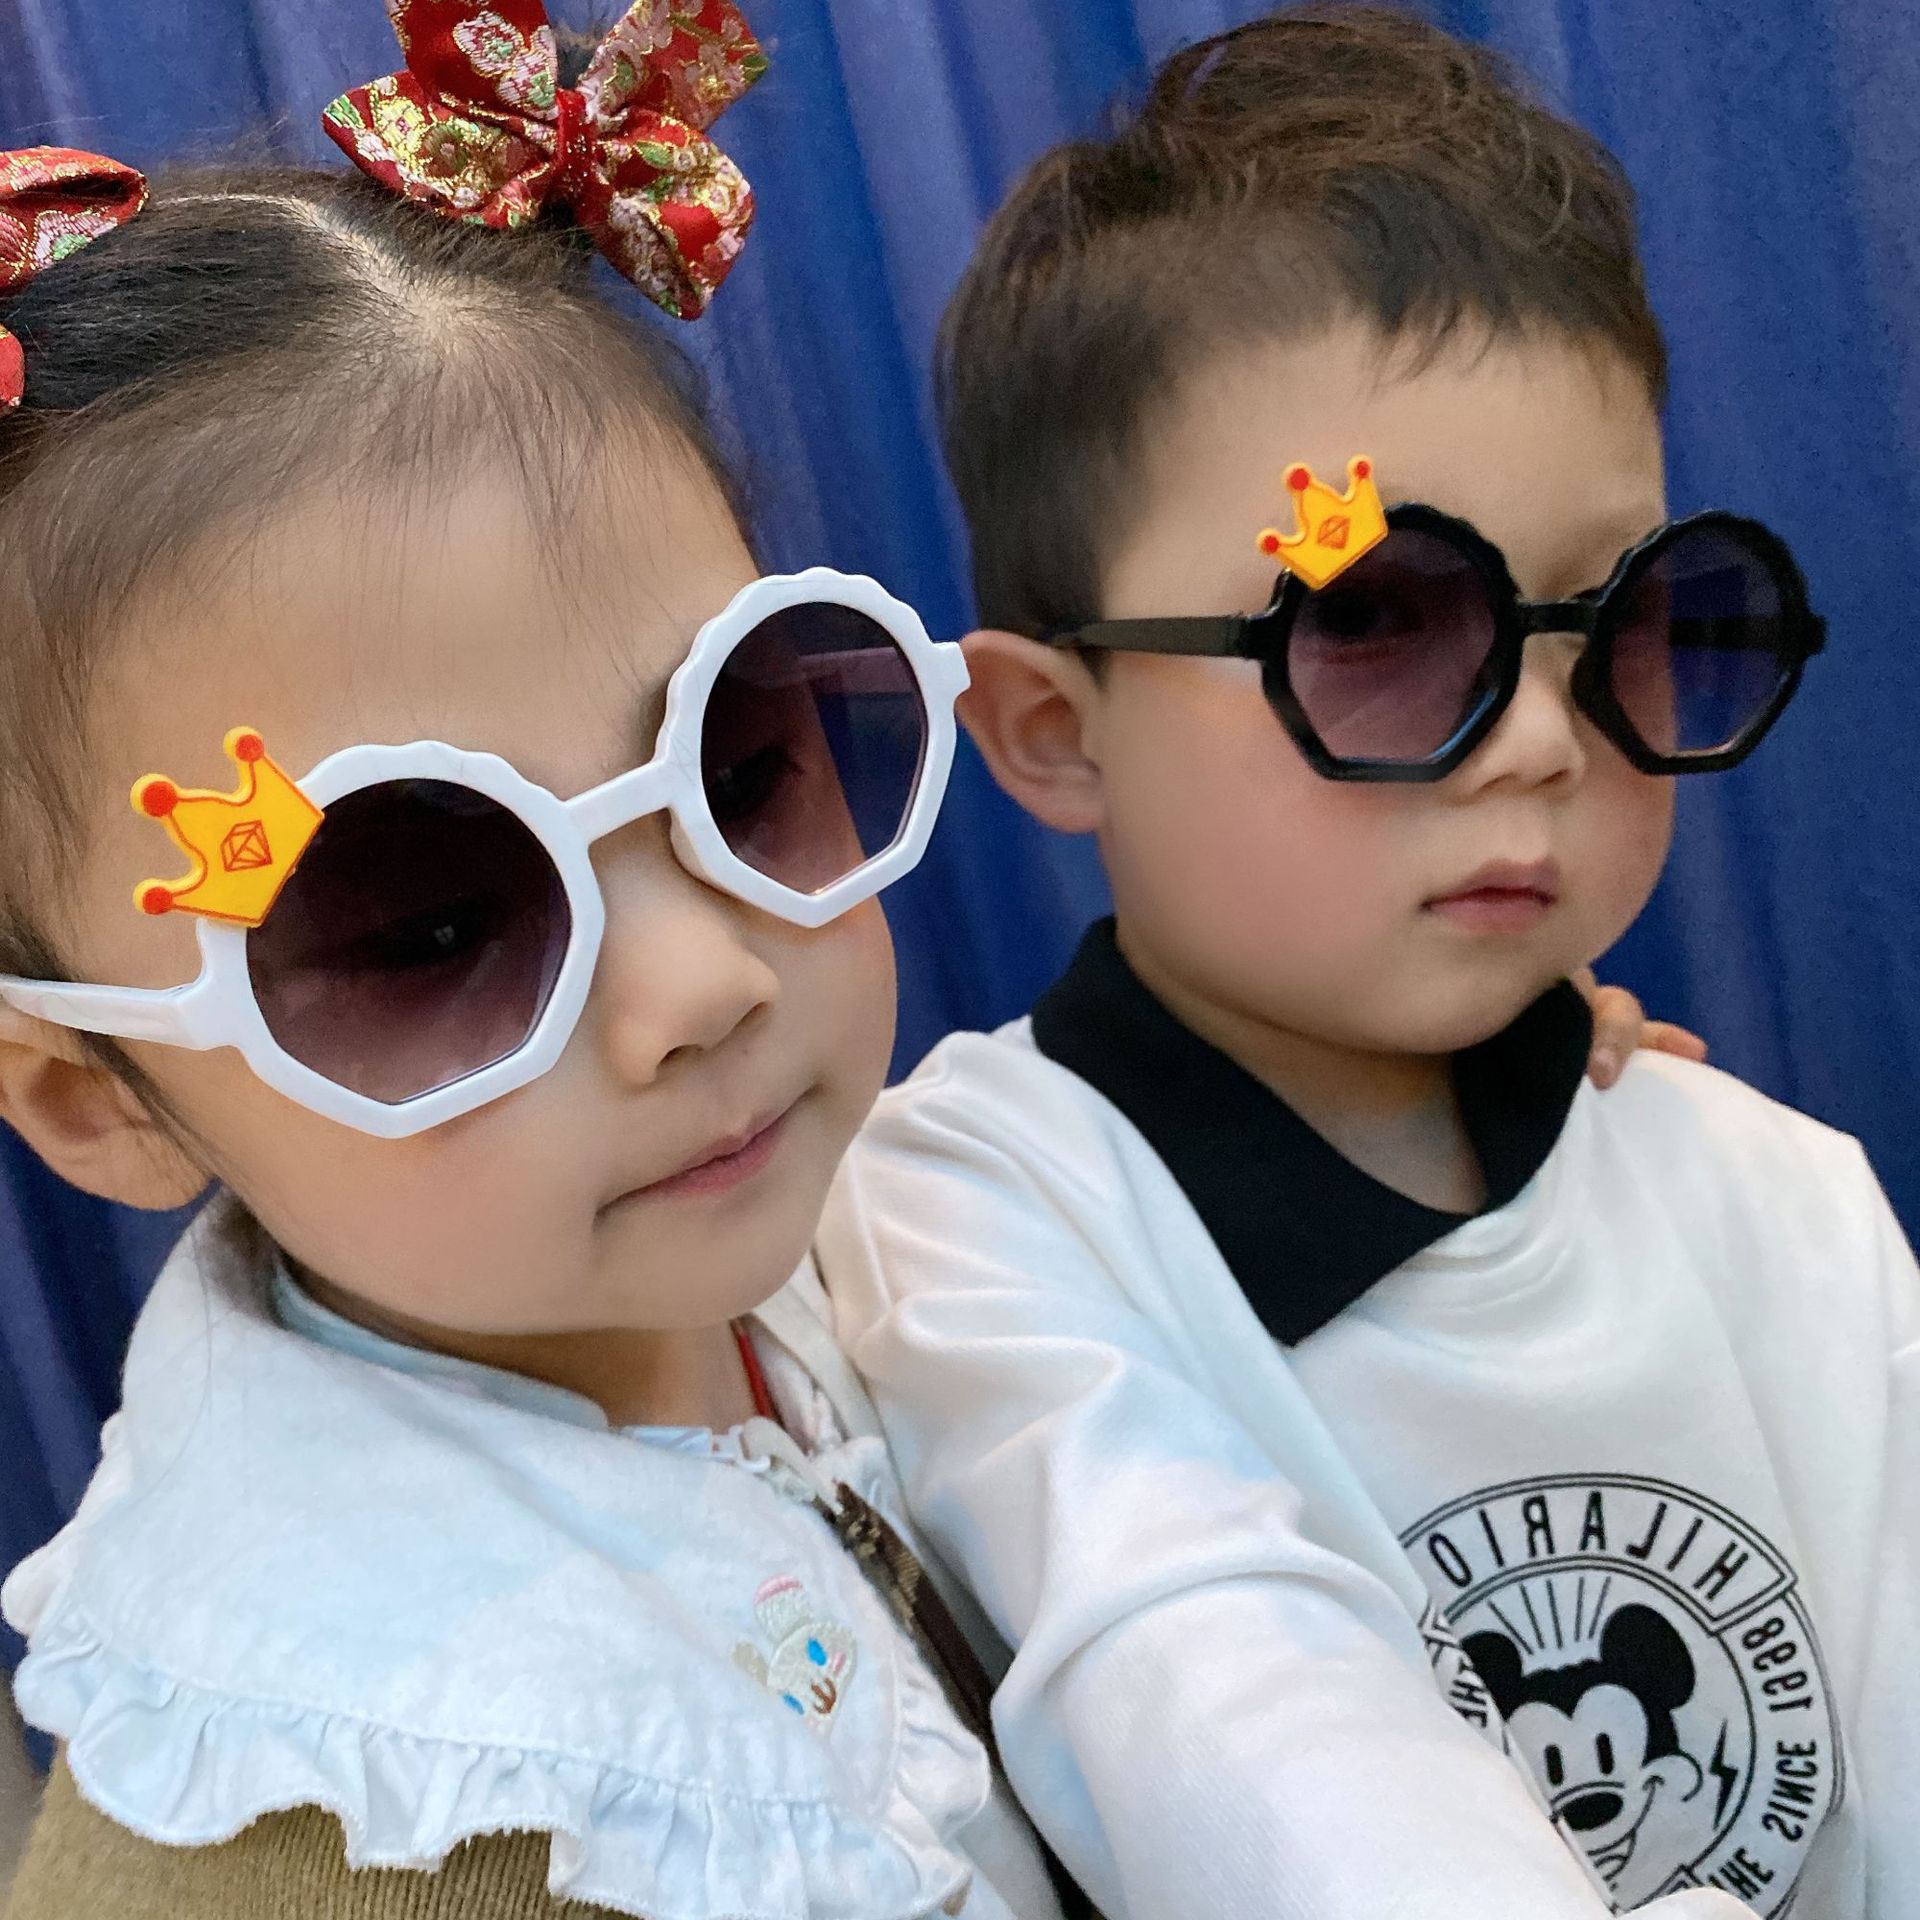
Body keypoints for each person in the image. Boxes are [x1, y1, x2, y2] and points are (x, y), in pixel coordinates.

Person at [818, 9, 1920, 1919]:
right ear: (1055, 734)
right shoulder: (976, 1208)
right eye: (1382, 623)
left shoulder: (1777, 1198)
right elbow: (1218, 1700)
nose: (1545, 740)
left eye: (1623, 622)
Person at [0, 7, 1073, 1917]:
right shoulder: (361, 1825)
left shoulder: (839, 1238)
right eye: (424, 924)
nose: (704, 986)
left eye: (740, 764)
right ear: (101, 1097)